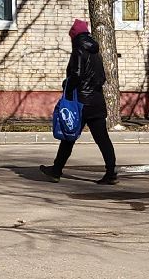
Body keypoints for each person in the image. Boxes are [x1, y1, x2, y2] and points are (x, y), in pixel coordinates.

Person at [41, 18, 117, 185]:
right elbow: (102, 77)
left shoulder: (78, 50)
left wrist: (67, 88)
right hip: (97, 101)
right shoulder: (96, 52)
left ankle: (56, 171)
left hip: (81, 103)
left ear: (74, 36)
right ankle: (111, 173)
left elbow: (76, 74)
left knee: (68, 137)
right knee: (102, 138)